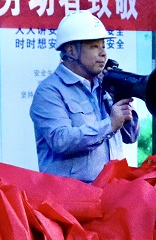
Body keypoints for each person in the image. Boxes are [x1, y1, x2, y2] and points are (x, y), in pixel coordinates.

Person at [30, 11, 138, 183]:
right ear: (71, 51)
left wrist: (121, 98)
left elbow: (131, 136)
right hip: (70, 196)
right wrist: (109, 124)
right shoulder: (49, 91)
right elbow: (60, 140)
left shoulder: (104, 85)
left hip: (113, 190)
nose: (103, 53)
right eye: (94, 46)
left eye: (103, 46)